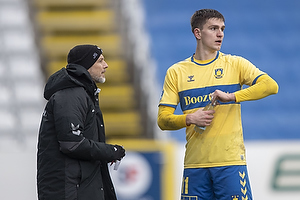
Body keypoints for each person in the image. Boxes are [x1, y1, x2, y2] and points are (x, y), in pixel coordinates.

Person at [157, 9, 278, 200]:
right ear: (197, 33)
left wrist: (232, 97)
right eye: (213, 28)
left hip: (230, 163)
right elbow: (163, 120)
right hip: (195, 165)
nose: (220, 34)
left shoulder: (235, 64)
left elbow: (271, 86)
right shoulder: (176, 72)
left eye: (222, 29)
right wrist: (190, 118)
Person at [37, 44, 126, 200]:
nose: (105, 65)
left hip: (77, 187)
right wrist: (110, 151)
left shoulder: (81, 92)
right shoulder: (71, 95)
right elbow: (72, 144)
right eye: (100, 61)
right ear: (86, 66)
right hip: (69, 189)